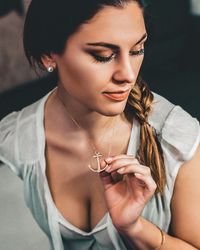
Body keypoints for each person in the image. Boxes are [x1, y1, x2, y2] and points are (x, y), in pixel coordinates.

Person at [0, 0, 200, 249]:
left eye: (137, 50)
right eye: (103, 55)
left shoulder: (177, 138)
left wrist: (135, 228)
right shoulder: (17, 138)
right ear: (48, 55)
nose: (127, 74)